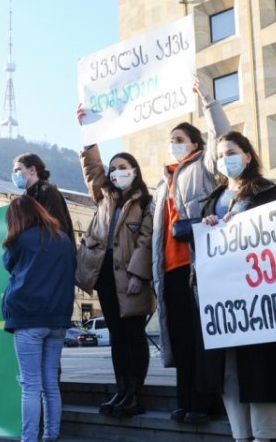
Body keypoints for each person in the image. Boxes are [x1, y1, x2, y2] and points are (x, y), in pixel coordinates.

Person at [200, 132, 276, 441]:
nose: (224, 159)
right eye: (219, 155)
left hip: (260, 294)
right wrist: (208, 226)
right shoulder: (214, 197)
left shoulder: (267, 191)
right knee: (228, 370)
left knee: (261, 368)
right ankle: (240, 435)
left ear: (247, 155)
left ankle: (263, 435)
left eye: (230, 152)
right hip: (222, 296)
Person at [149, 81, 230, 423]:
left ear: (195, 144)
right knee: (181, 339)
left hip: (199, 265)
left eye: (179, 140)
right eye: (171, 141)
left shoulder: (204, 166)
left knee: (202, 338)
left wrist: (208, 102)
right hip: (169, 269)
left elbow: (223, 137)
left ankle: (205, 403)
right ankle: (185, 401)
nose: (174, 145)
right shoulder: (161, 184)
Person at [75, 143, 154, 417]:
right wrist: (89, 143)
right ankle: (121, 390)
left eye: (122, 168)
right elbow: (92, 172)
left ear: (134, 171)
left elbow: (146, 240)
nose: (116, 173)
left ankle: (135, 394)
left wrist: (138, 274)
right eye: (113, 168)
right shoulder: (104, 197)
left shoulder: (145, 201)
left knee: (133, 334)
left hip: (131, 275)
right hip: (105, 274)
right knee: (117, 336)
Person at [1, 196, 76, 442]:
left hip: (28, 317)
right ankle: (51, 435)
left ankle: (29, 438)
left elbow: (8, 265)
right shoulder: (63, 240)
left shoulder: (19, 240)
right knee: (50, 384)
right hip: (57, 318)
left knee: (30, 386)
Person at [12, 153, 75, 245]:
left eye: (18, 170)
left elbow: (57, 229)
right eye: (14, 171)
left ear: (32, 170)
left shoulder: (48, 192)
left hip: (51, 254)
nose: (14, 175)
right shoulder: (26, 197)